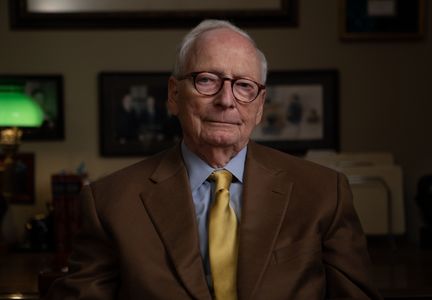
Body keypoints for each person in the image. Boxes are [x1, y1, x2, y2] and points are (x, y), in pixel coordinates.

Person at [46, 19, 381, 299]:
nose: (226, 100)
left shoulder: (324, 193)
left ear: (260, 105)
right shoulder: (110, 202)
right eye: (206, 80)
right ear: (174, 95)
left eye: (244, 86)